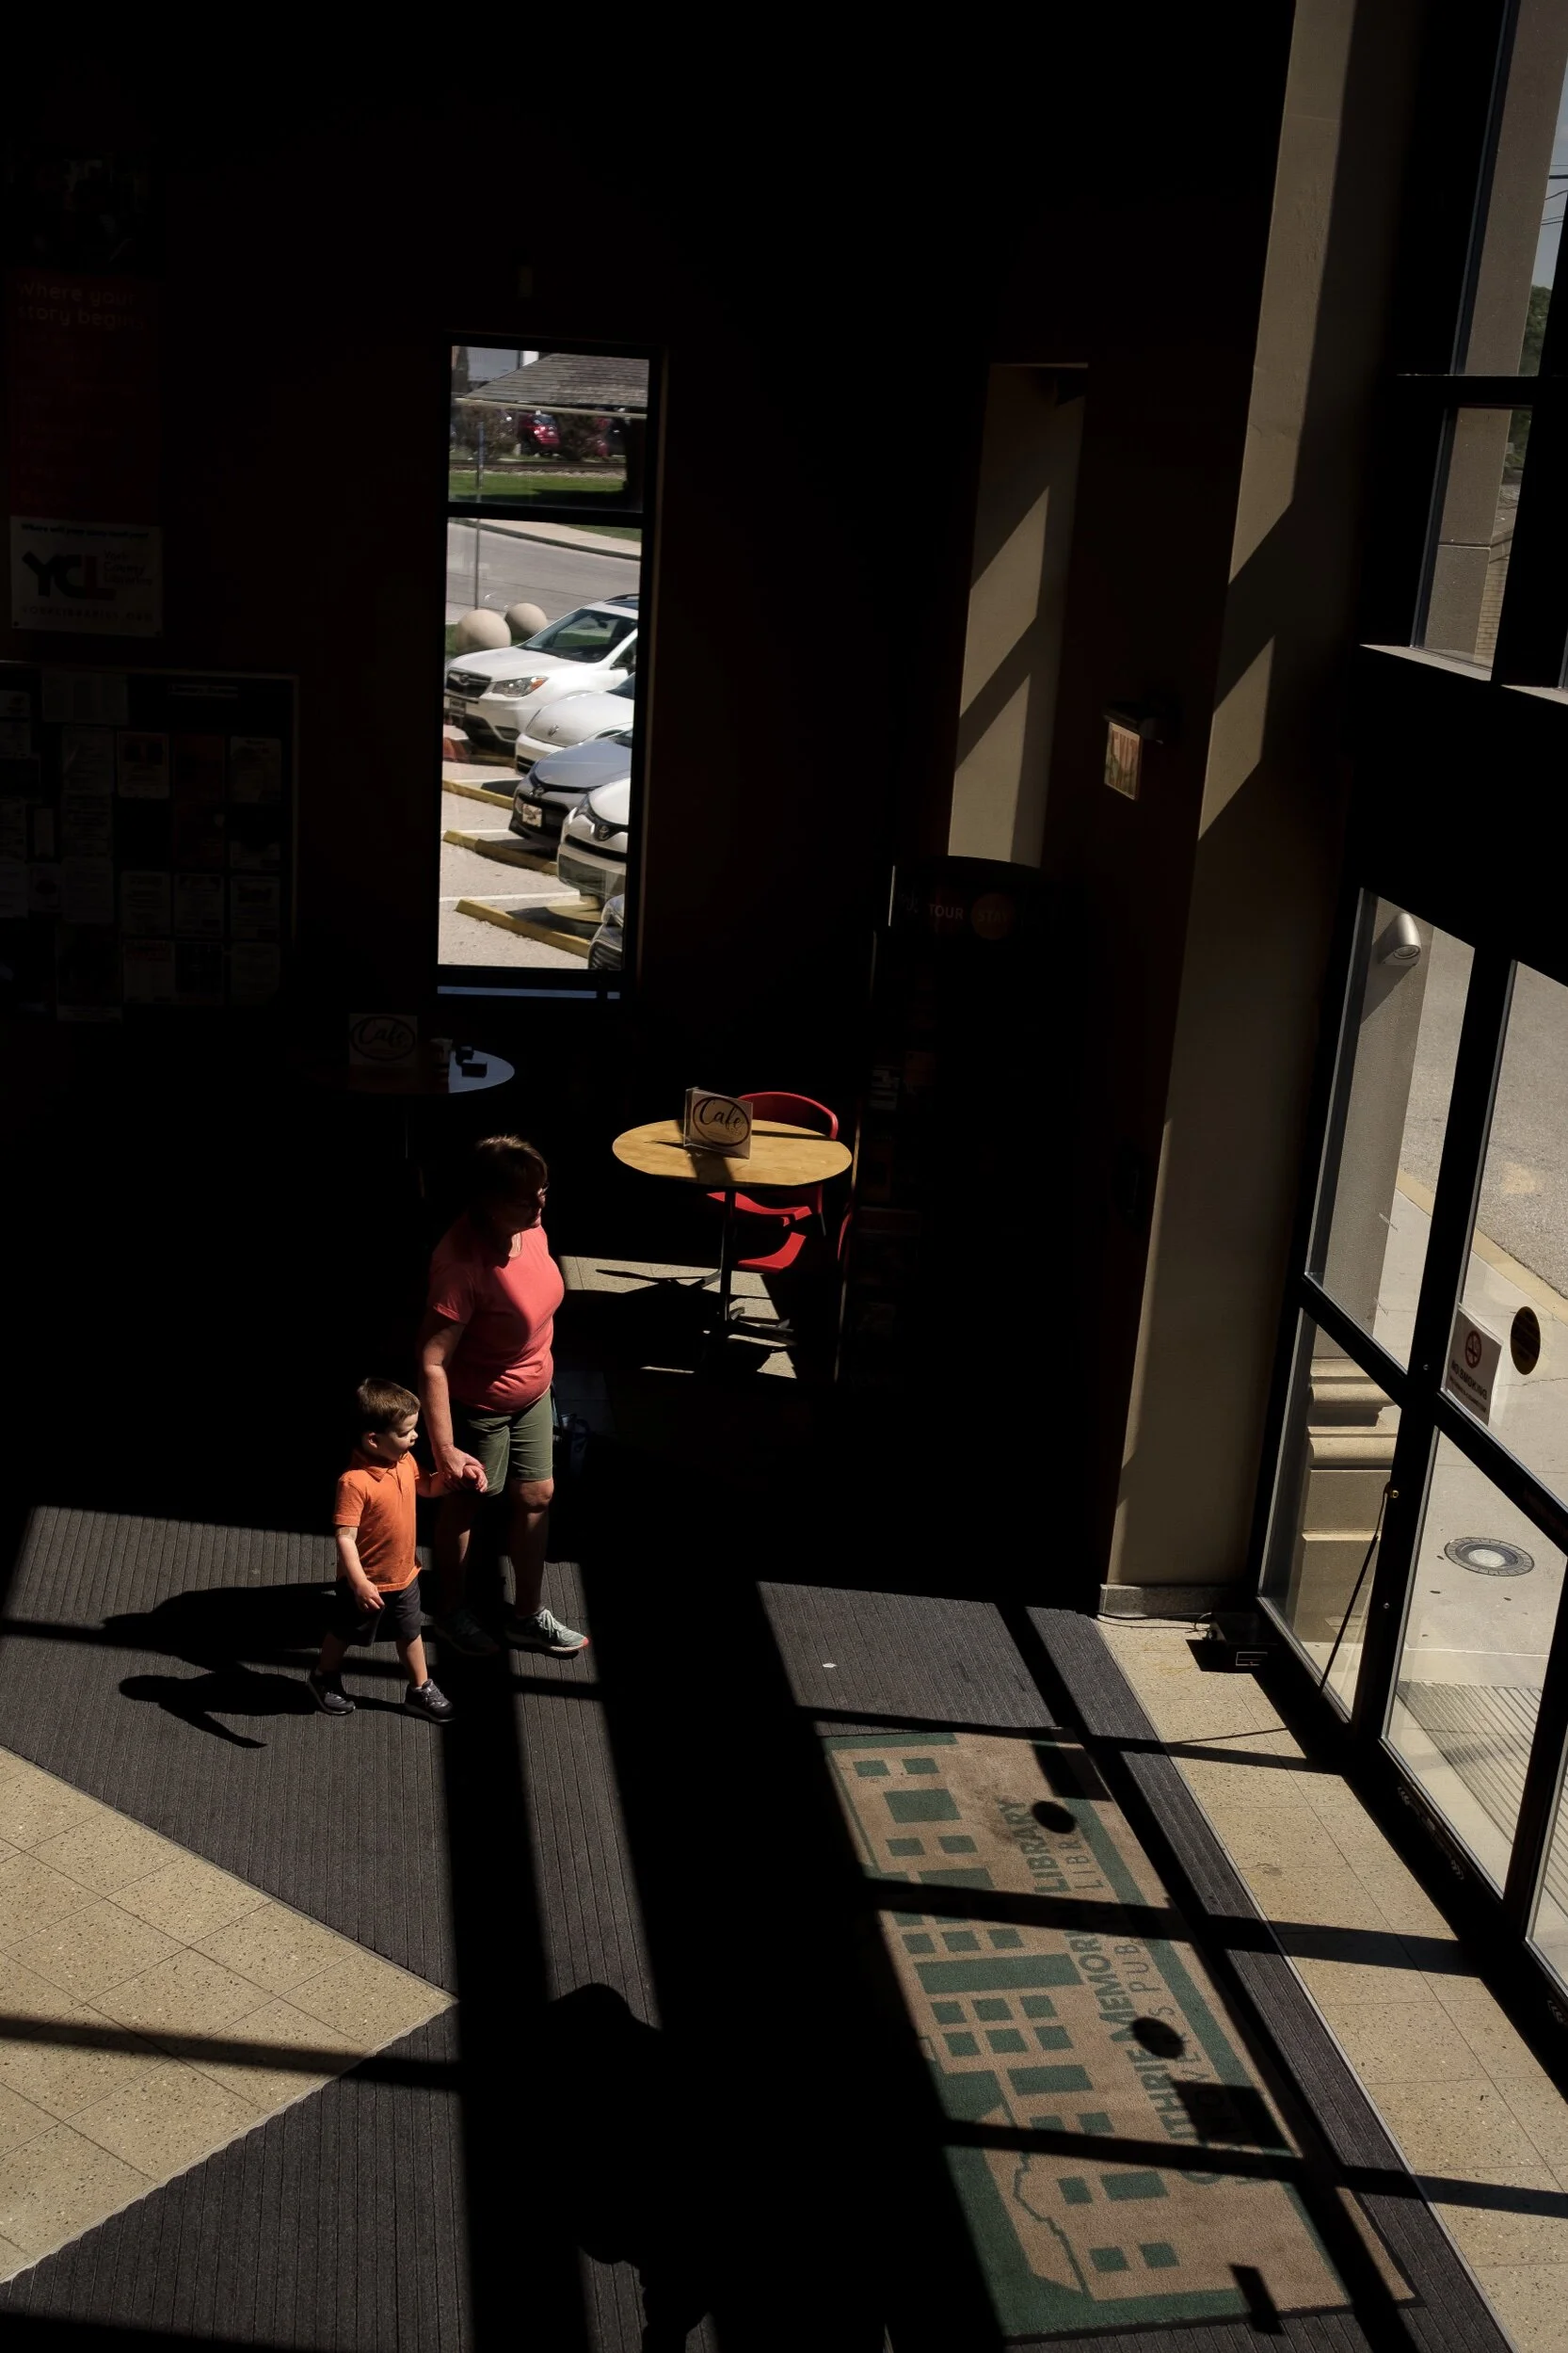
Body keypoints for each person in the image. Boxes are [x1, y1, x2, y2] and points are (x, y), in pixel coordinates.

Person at [420, 1134, 588, 1659]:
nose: (540, 1204)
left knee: (537, 1497)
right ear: (487, 1202)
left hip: (534, 1393)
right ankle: (450, 1611)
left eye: (544, 1191)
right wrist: (446, 1451)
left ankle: (527, 1615)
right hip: (480, 1408)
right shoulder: (460, 1268)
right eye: (525, 1197)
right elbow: (431, 1362)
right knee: (466, 1509)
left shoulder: (529, 1229)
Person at [309, 1378, 465, 1721]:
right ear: (373, 1440)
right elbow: (345, 1537)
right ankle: (323, 1676)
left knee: (410, 1633)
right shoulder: (354, 1482)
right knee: (345, 1631)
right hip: (366, 1584)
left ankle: (420, 1689)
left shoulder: (404, 1461)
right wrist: (360, 1583)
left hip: (405, 1575)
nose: (415, 1437)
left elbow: (426, 1486)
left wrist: (454, 1478)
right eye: (406, 1432)